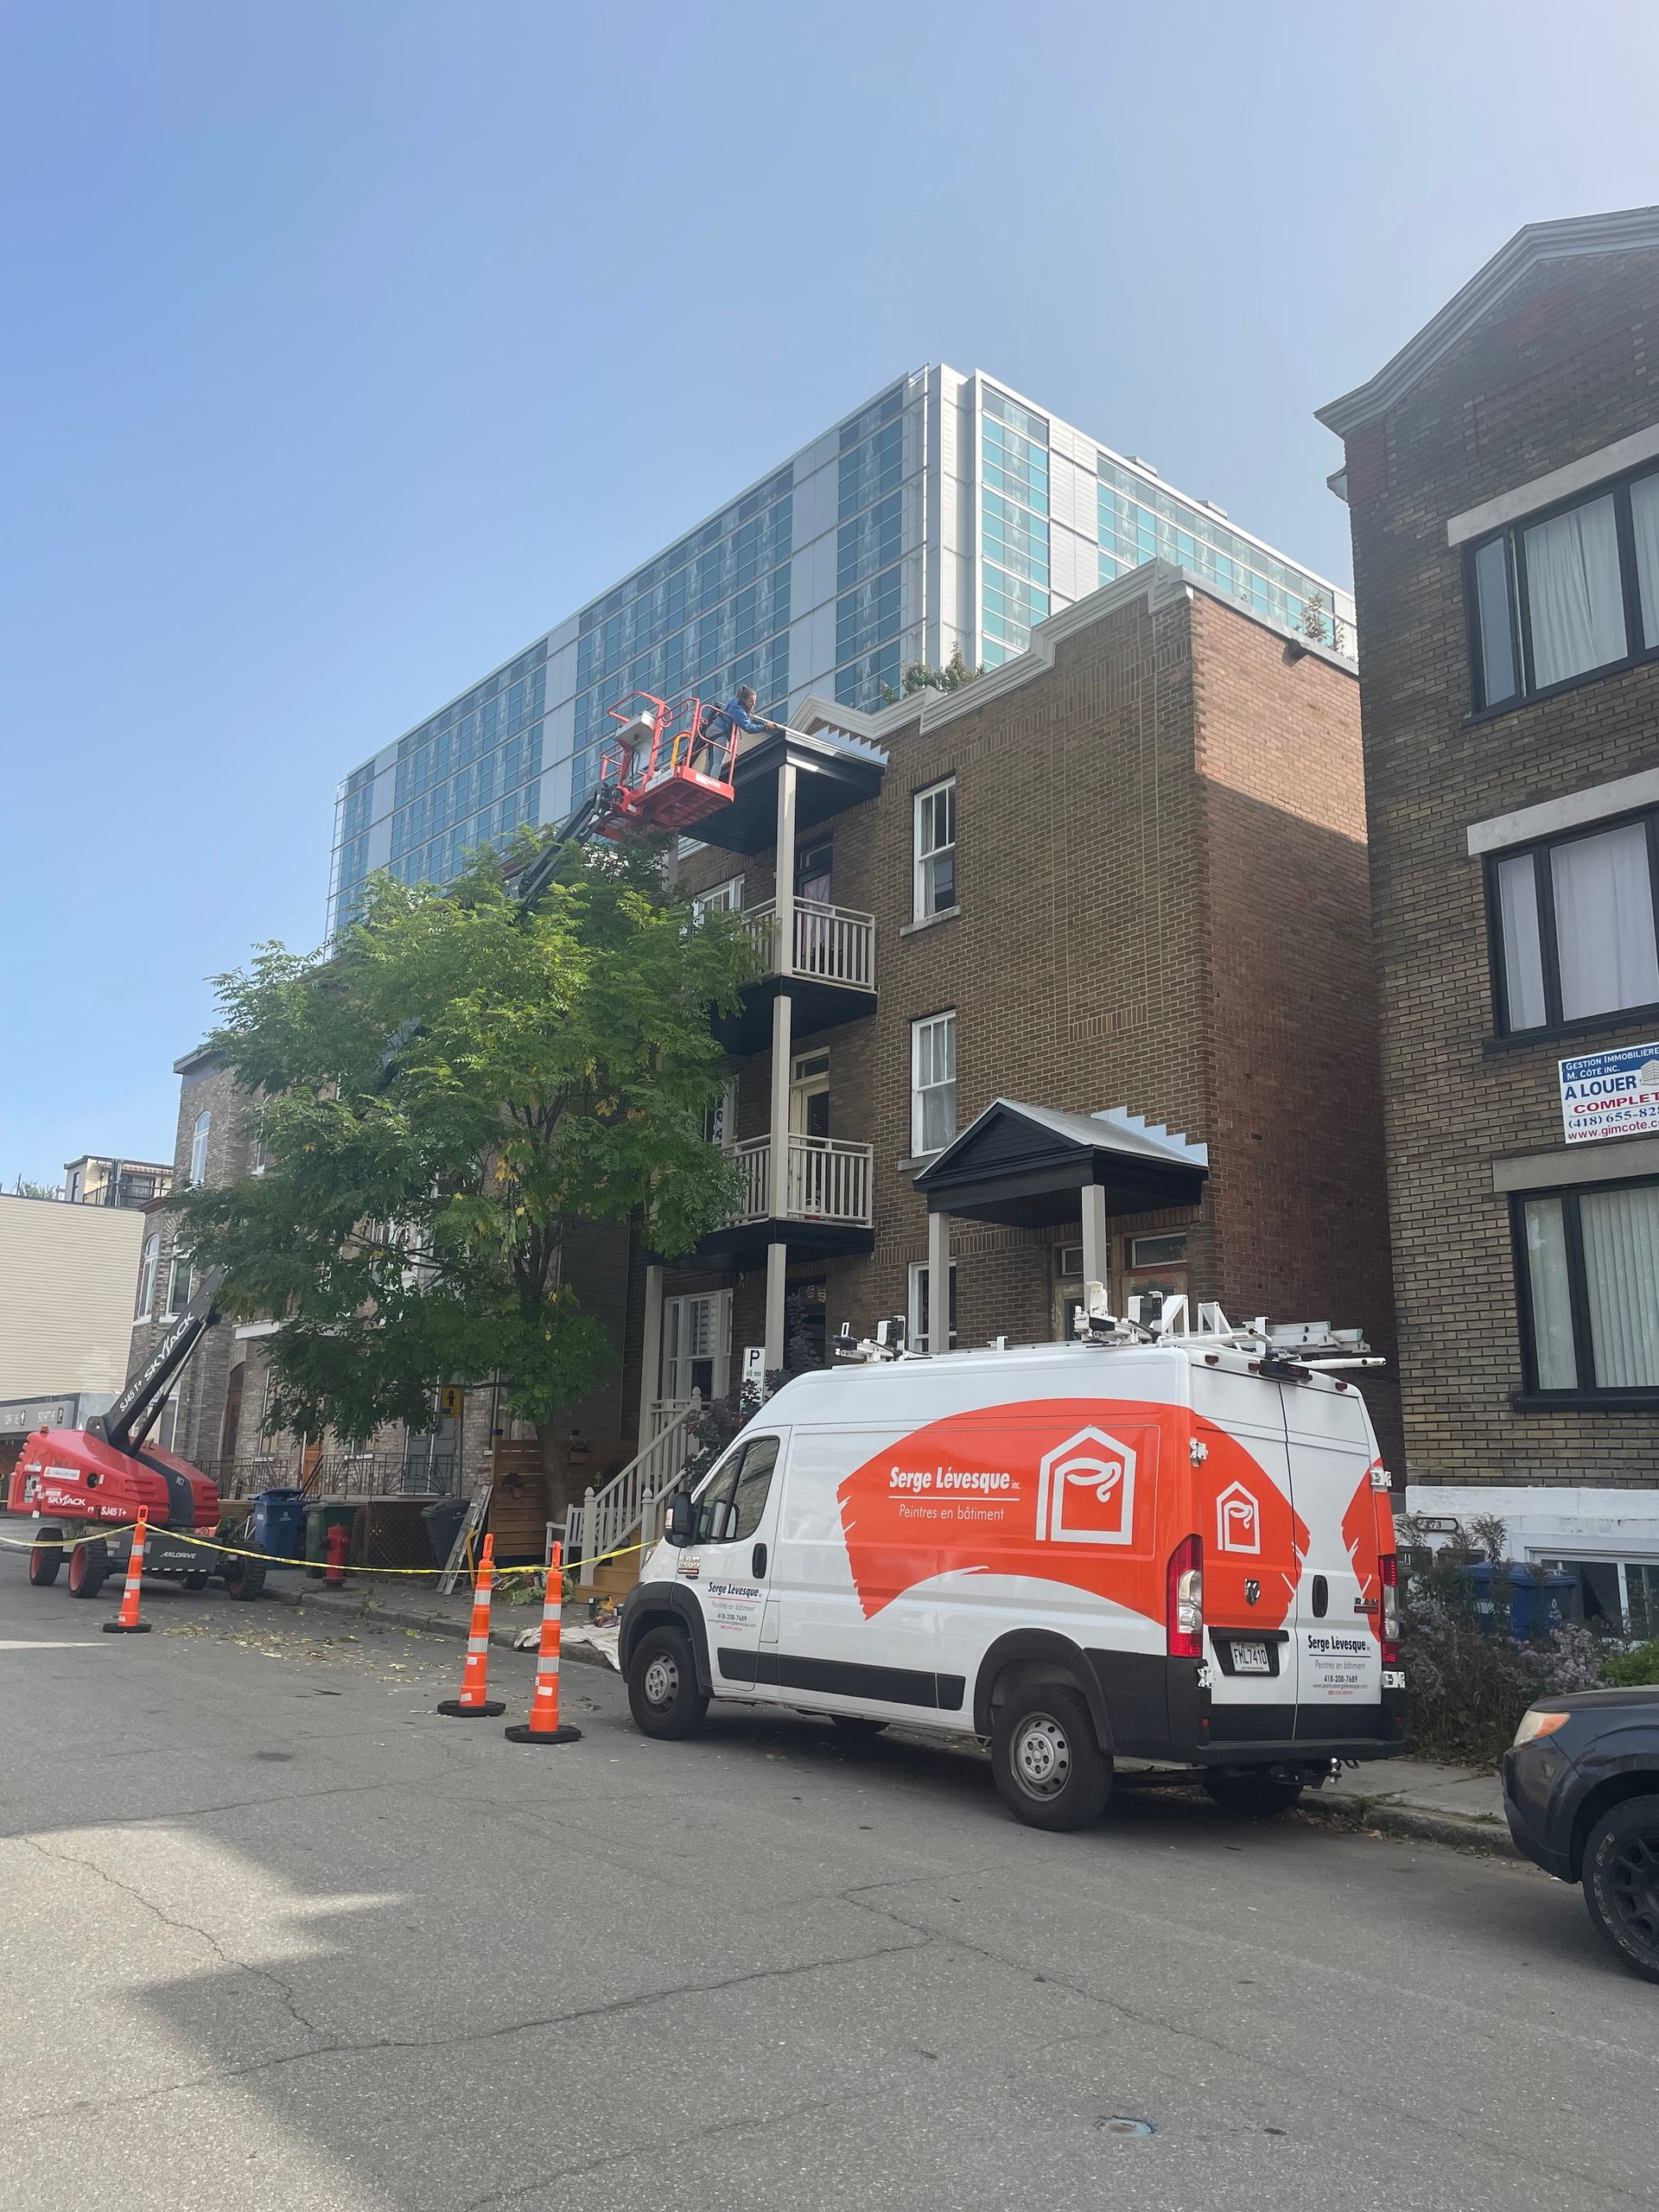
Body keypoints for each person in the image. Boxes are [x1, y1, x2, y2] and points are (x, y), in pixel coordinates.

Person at [694, 684, 783, 773]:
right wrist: (766, 727)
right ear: (744, 700)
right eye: (751, 701)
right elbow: (749, 728)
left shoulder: (733, 701)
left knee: (711, 763)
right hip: (720, 732)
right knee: (718, 762)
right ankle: (713, 781)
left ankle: (704, 780)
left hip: (712, 729)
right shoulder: (739, 711)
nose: (754, 704)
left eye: (755, 701)